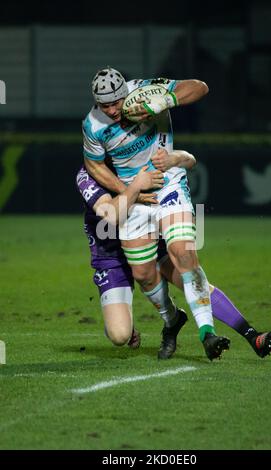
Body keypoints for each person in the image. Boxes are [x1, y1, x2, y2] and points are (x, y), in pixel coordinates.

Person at [83, 66, 231, 360]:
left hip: (168, 182)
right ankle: (172, 320)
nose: (112, 110)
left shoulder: (147, 89)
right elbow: (94, 165)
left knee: (183, 251)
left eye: (116, 102)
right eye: (105, 104)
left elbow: (200, 86)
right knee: (143, 274)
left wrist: (162, 102)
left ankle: (207, 333)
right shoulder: (92, 124)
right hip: (135, 198)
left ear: (125, 91)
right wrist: (131, 189)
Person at [76, 151, 271, 360]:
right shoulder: (88, 175)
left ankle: (252, 335)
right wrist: (136, 186)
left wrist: (175, 159)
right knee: (120, 335)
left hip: (149, 237)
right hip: (112, 255)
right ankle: (172, 319)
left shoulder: (138, 150)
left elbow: (187, 158)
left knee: (190, 279)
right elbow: (111, 216)